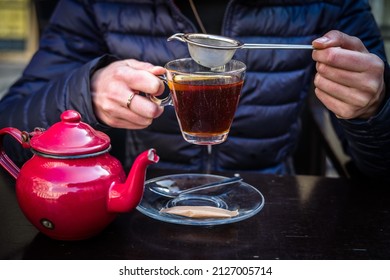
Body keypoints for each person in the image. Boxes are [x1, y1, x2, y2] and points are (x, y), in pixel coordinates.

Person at [0, 0, 389, 180]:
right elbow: (9, 133)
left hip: (269, 207)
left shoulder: (333, 5)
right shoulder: (94, 5)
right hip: (138, 211)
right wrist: (86, 90)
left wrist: (377, 107)